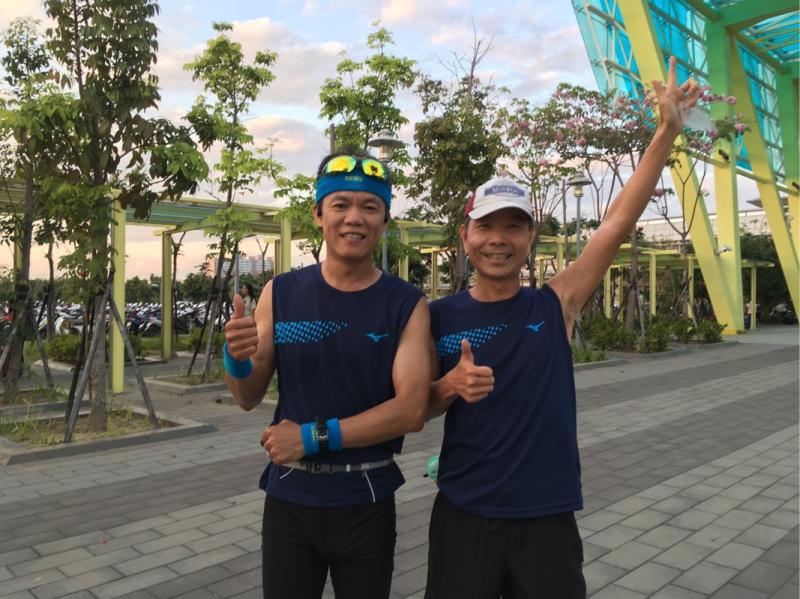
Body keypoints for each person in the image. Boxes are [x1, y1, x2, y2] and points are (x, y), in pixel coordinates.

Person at [425, 57, 700, 599]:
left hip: (545, 518)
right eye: (486, 226)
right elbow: (416, 408)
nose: (498, 239)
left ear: (530, 239)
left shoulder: (555, 304)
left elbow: (616, 223)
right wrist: (449, 386)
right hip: (463, 513)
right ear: (465, 236)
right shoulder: (437, 316)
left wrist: (665, 134)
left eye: (513, 227)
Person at [223, 150, 431, 599]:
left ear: (384, 220)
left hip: (367, 495)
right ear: (318, 215)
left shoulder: (405, 303)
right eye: (340, 204)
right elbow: (247, 396)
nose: (354, 218)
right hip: (290, 497)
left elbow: (412, 409)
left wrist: (311, 437)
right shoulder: (281, 292)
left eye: (369, 206)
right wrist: (236, 358)